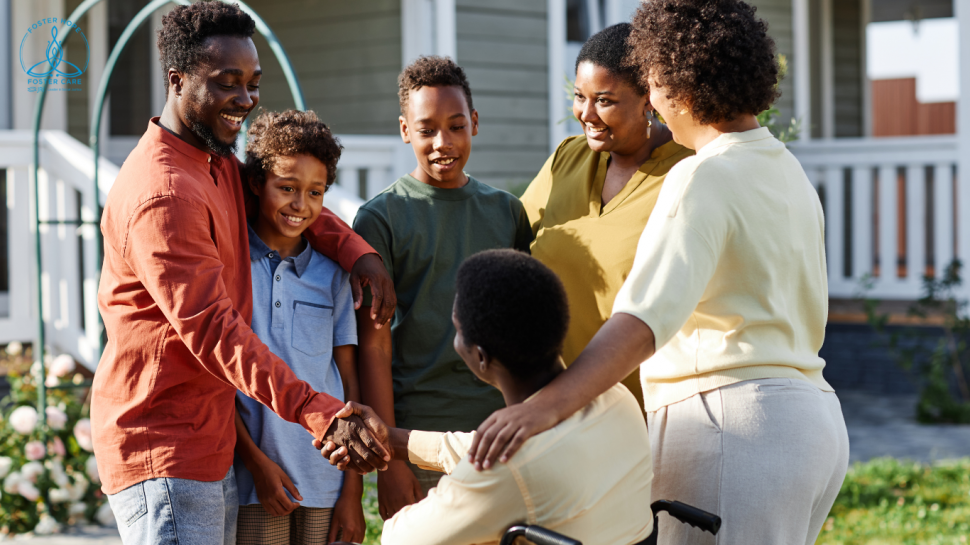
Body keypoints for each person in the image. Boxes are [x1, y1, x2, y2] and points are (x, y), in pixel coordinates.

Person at [469, 1, 850, 544]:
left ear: (681, 87)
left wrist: (542, 409)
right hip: (809, 424)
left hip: (730, 428)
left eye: (654, 85)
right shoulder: (786, 169)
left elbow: (641, 320)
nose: (655, 101)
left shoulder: (702, 177)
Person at [92, 4, 391, 544]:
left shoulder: (215, 160)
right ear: (177, 80)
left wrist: (354, 250)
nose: (247, 99)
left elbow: (283, 204)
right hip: (166, 447)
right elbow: (215, 331)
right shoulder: (165, 194)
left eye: (253, 83)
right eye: (228, 83)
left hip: (209, 441)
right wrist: (319, 411)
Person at [325, 250, 653, 545]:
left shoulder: (507, 470)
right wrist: (394, 441)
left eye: (457, 329)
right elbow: (494, 452)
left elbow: (401, 537)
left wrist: (454, 491)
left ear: (481, 357)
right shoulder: (616, 399)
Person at [352, 56, 534, 519]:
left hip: (499, 434)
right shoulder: (381, 218)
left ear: (474, 122)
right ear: (404, 130)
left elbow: (523, 335)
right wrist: (390, 461)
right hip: (418, 442)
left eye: (456, 126)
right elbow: (373, 344)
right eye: (427, 129)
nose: (443, 143)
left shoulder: (507, 213)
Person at [521, 23, 692, 407]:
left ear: (648, 98)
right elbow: (510, 241)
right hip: (546, 407)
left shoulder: (688, 173)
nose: (586, 113)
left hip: (641, 414)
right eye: (579, 96)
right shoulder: (568, 158)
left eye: (605, 100)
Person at [232, 110, 365, 544]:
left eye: (315, 192)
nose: (300, 204)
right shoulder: (232, 267)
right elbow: (219, 380)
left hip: (325, 482)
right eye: (287, 188)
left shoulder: (333, 275)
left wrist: (352, 489)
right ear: (257, 184)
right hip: (256, 481)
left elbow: (348, 382)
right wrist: (255, 464)